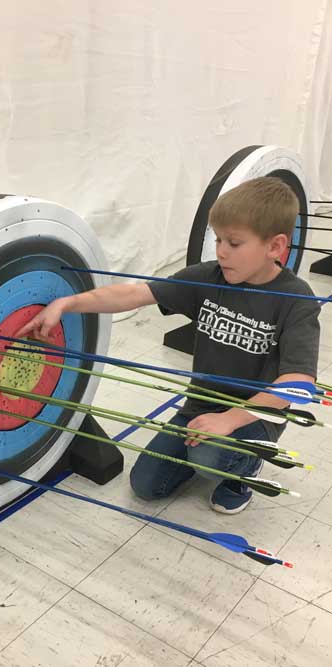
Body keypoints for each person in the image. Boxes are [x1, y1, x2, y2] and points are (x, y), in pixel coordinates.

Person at [16, 177, 320, 513]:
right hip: (200, 407)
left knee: (209, 454)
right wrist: (67, 303)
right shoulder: (208, 277)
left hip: (254, 418)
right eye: (218, 239)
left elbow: (299, 385)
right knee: (146, 485)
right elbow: (135, 293)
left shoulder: (297, 299)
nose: (221, 251)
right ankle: (205, 449)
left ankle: (242, 470)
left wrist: (230, 420)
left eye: (234, 243)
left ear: (275, 247)